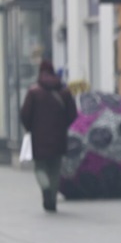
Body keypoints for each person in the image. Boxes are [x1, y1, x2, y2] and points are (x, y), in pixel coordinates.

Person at [20, 59, 78, 212]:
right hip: (59, 137)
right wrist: (62, 126)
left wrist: (30, 128)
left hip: (39, 138)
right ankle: (52, 199)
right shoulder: (64, 92)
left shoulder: (33, 92)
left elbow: (25, 114)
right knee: (55, 169)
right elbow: (73, 114)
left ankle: (45, 188)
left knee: (40, 167)